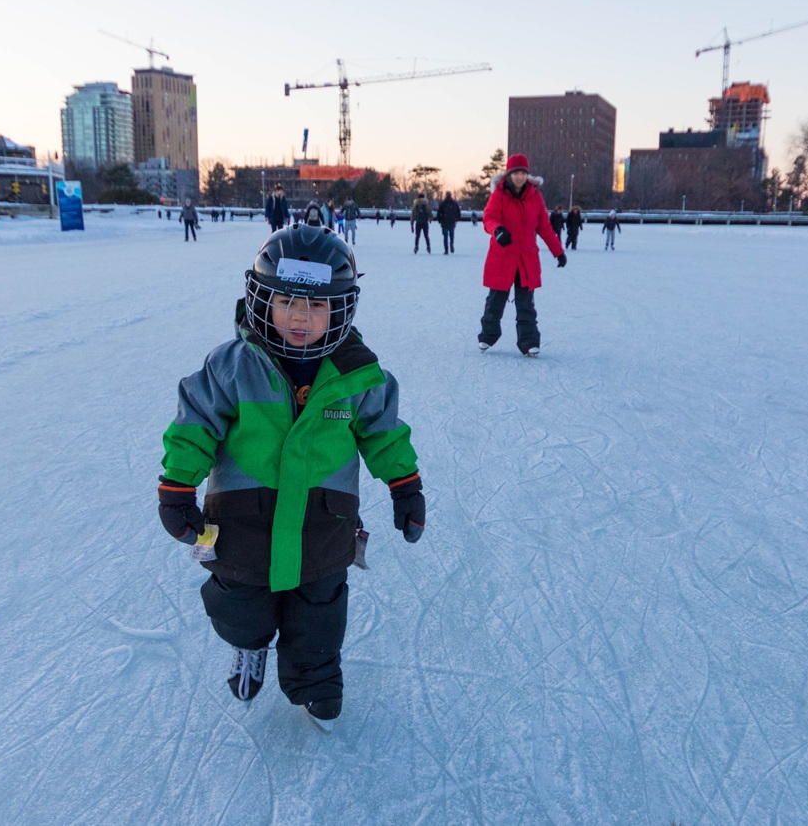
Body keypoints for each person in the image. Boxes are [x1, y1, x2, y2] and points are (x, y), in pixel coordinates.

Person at [157, 224, 426, 731]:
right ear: (261, 300)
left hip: (324, 523)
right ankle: (248, 646)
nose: (301, 317)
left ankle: (316, 682)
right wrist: (177, 487)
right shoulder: (232, 366)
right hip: (243, 522)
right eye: (286, 302)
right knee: (241, 603)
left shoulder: (360, 375)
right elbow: (194, 424)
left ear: (341, 308)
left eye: (318, 307)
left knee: (319, 612)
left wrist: (404, 485)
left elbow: (385, 435)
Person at [478, 154, 566, 358]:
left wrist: (558, 251)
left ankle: (529, 342)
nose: (519, 177)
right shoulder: (499, 195)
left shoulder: (535, 197)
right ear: (509, 174)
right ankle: (487, 336)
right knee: (496, 300)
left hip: (527, 259)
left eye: (523, 173)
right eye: (516, 173)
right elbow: (489, 218)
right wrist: (498, 230)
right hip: (503, 256)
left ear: (527, 175)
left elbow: (544, 227)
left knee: (526, 303)